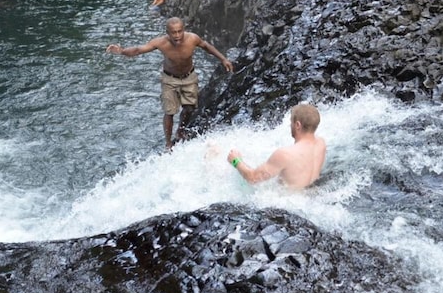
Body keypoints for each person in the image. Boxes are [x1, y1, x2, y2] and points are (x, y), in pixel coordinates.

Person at [106, 17, 233, 150]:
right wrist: (122, 51)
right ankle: (168, 142)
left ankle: (181, 130)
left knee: (190, 108)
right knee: (169, 111)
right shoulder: (161, 42)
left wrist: (223, 59)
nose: (177, 35)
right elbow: (138, 49)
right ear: (167, 33)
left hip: (189, 77)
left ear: (184, 30)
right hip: (169, 79)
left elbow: (206, 46)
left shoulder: (192, 38)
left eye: (179, 31)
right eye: (173, 32)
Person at [227, 104, 327, 189]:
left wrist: (236, 161)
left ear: (297, 125)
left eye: (291, 122)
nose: (290, 126)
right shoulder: (321, 144)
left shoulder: (285, 155)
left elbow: (253, 179)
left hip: (288, 202)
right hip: (310, 196)